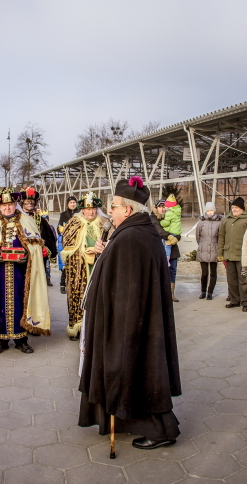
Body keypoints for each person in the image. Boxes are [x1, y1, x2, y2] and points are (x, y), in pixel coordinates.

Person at [79, 177, 181, 450]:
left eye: (113, 206)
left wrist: (117, 330)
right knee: (140, 371)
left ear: (128, 210)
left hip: (128, 324)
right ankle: (131, 420)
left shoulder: (132, 236)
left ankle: (160, 430)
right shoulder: (134, 233)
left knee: (141, 370)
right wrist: (106, 251)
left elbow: (127, 290)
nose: (109, 211)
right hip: (135, 321)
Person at [0, 188, 51, 354]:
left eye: (10, 204)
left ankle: (21, 340)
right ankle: (0, 341)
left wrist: (29, 255)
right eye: (4, 204)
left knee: (22, 302)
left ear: (16, 204)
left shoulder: (26, 220)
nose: (7, 208)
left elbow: (37, 246)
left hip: (21, 273)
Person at [60, 193, 106, 341]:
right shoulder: (73, 222)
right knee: (78, 295)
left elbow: (113, 243)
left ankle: (96, 328)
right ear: (82, 210)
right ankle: (77, 327)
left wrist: (100, 250)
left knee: (99, 296)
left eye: (93, 208)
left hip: (99, 267)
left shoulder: (105, 223)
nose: (91, 212)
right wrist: (83, 251)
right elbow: (66, 245)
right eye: (88, 209)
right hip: (79, 268)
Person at [218, 197, 247, 311]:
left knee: (244, 280)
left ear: (242, 208)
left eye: (236, 207)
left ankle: (246, 302)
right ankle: (234, 300)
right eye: (233, 207)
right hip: (229, 254)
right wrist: (220, 253)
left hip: (243, 255)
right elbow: (221, 236)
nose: (234, 210)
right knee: (231, 280)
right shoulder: (226, 219)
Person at [19, 187, 58, 287]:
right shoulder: (16, 219)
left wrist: (45, 249)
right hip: (19, 259)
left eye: (32, 201)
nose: (30, 203)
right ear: (22, 202)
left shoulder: (41, 221)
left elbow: (51, 239)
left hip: (37, 260)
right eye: (27, 201)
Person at [151, 199, 182, 302]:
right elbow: (158, 230)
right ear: (156, 207)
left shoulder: (172, 216)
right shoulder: (153, 218)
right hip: (159, 250)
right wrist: (169, 236)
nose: (162, 209)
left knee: (172, 271)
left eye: (164, 207)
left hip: (173, 249)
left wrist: (176, 237)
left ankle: (171, 293)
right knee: (160, 272)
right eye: (160, 207)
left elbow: (177, 229)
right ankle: (160, 294)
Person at [194, 201, 222, 300]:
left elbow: (220, 236)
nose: (210, 212)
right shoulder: (201, 222)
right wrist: (202, 245)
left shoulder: (219, 222)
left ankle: (210, 292)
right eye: (208, 211)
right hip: (203, 250)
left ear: (214, 211)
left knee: (213, 272)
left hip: (214, 250)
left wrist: (218, 248)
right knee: (204, 273)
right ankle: (203, 291)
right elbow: (197, 236)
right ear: (206, 211)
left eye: (212, 210)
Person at [57, 196, 79, 294]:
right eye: (71, 202)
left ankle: (75, 285)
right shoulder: (63, 215)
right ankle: (63, 284)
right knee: (65, 265)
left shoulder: (80, 214)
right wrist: (62, 229)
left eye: (74, 202)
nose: (73, 204)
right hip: (66, 242)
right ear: (67, 204)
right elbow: (59, 227)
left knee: (76, 264)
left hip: (77, 242)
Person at [160, 194, 182, 260]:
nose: (164, 207)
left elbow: (166, 223)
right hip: (176, 231)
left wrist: (161, 222)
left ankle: (167, 259)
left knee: (167, 245)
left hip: (171, 231)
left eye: (165, 206)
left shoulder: (169, 213)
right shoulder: (177, 211)